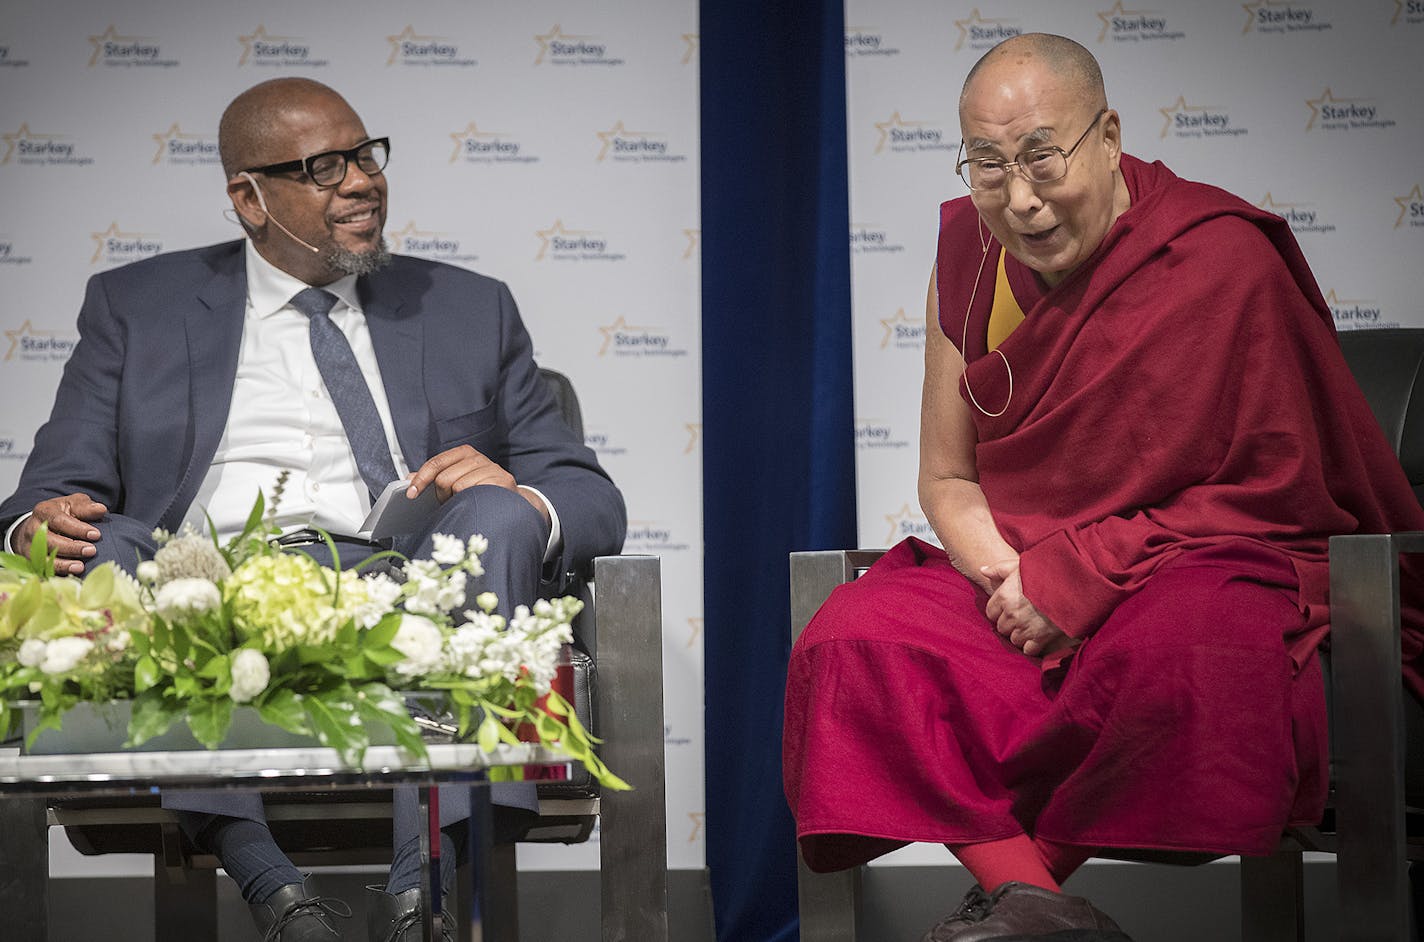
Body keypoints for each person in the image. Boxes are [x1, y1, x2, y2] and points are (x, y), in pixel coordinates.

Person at [782, 33, 1424, 941]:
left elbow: (1279, 492)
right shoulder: (967, 259)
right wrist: (1017, 580)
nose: (1022, 199)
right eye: (990, 166)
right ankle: (1046, 911)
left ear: (1109, 135)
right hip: (1025, 568)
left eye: (1043, 157)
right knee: (857, 635)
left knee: (1191, 647)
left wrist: (1079, 578)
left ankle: (1023, 899)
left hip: (1195, 561)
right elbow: (948, 474)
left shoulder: (1217, 258)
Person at [0, 78, 626, 941]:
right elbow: (44, 492)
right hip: (208, 584)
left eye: (367, 156)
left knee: (503, 513)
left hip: (411, 581)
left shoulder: (468, 308)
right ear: (247, 198)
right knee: (109, 547)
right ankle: (276, 893)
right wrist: (40, 522)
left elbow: (591, 499)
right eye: (324, 168)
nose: (362, 181)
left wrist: (517, 492)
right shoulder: (135, 307)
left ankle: (422, 896)